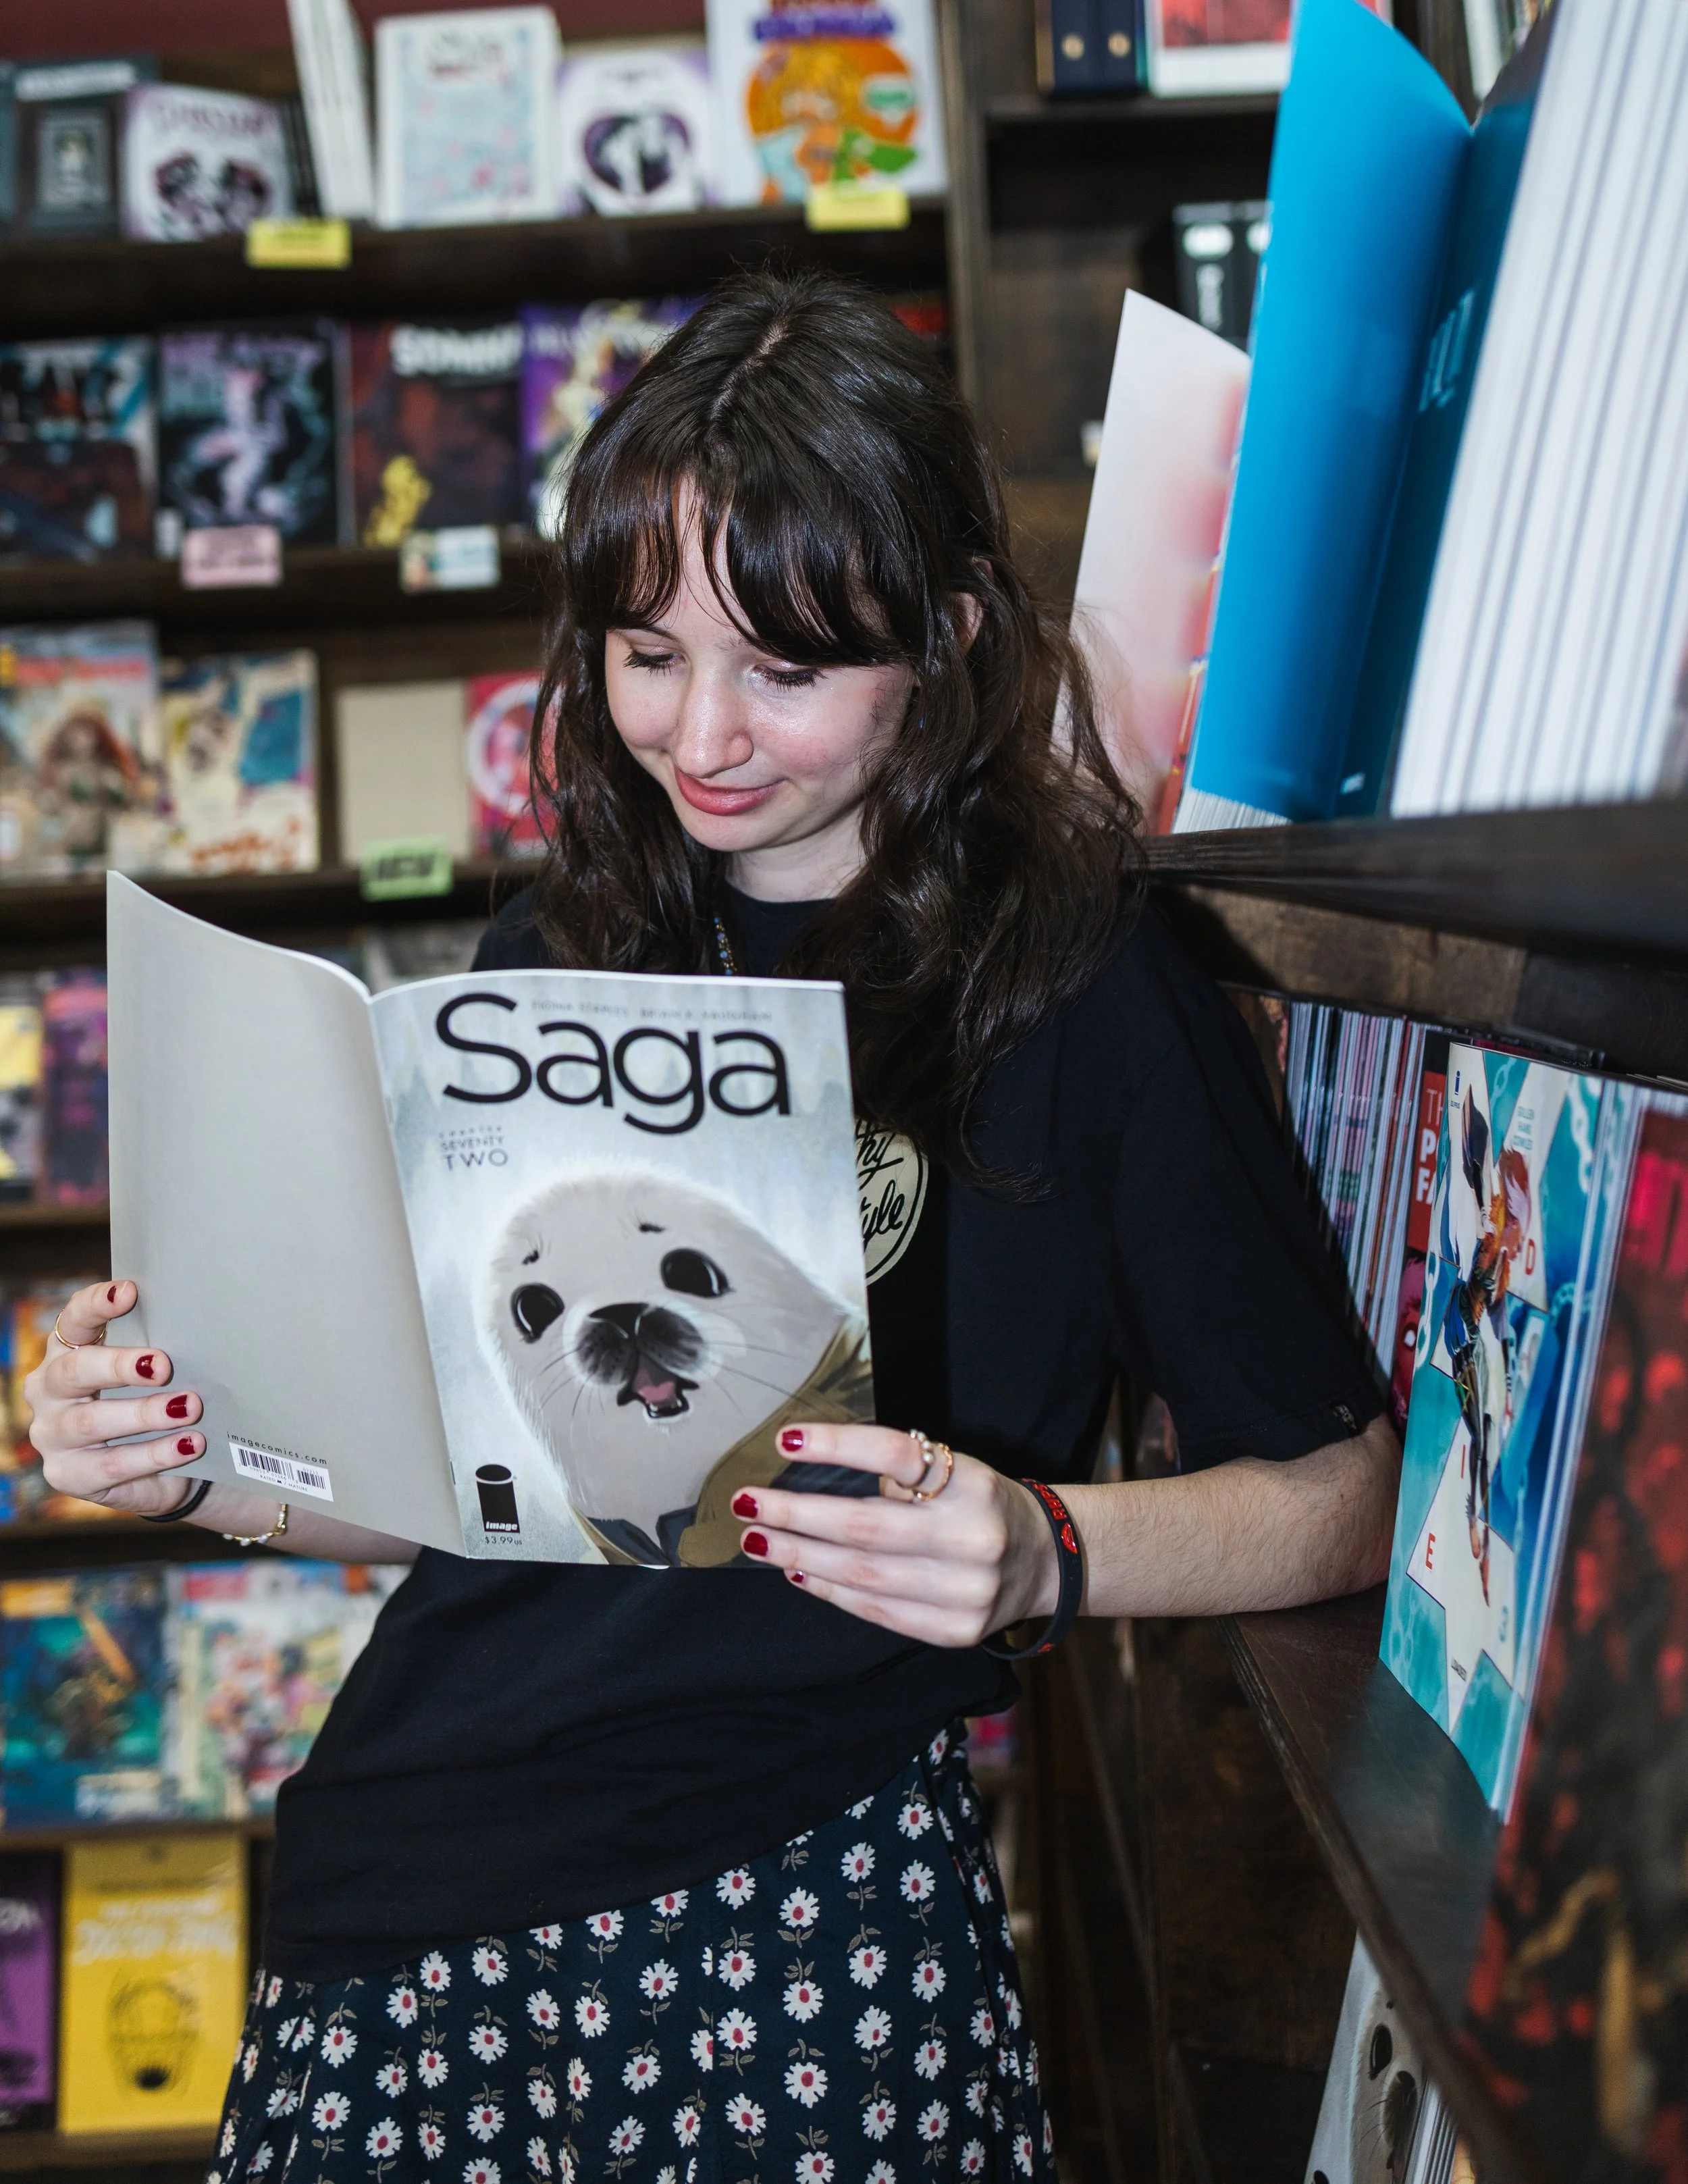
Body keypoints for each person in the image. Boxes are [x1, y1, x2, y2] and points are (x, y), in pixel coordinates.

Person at [28, 270, 1399, 2184]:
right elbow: (464, 1488)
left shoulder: (1080, 983)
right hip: (400, 1887)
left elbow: (1341, 1493)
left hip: (801, 1896)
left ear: (946, 629)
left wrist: (1044, 1553)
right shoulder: (554, 951)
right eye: (647, 652)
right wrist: (201, 1464)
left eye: (786, 666)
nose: (706, 734)